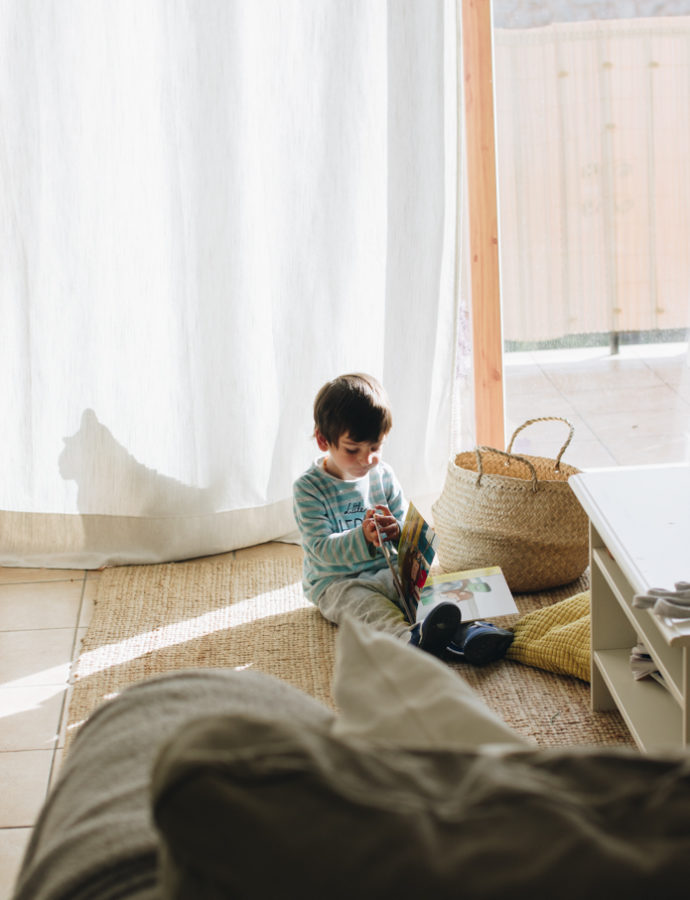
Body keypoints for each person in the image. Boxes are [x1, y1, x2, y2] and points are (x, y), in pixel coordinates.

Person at [292, 372, 513, 663]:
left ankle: (468, 633)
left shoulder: (383, 475)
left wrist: (398, 530)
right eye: (352, 449)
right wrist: (363, 537)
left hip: (391, 571)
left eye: (375, 447)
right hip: (339, 582)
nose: (366, 459)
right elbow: (320, 550)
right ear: (323, 441)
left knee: (434, 598)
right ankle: (409, 640)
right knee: (368, 609)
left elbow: (405, 527)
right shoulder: (309, 488)